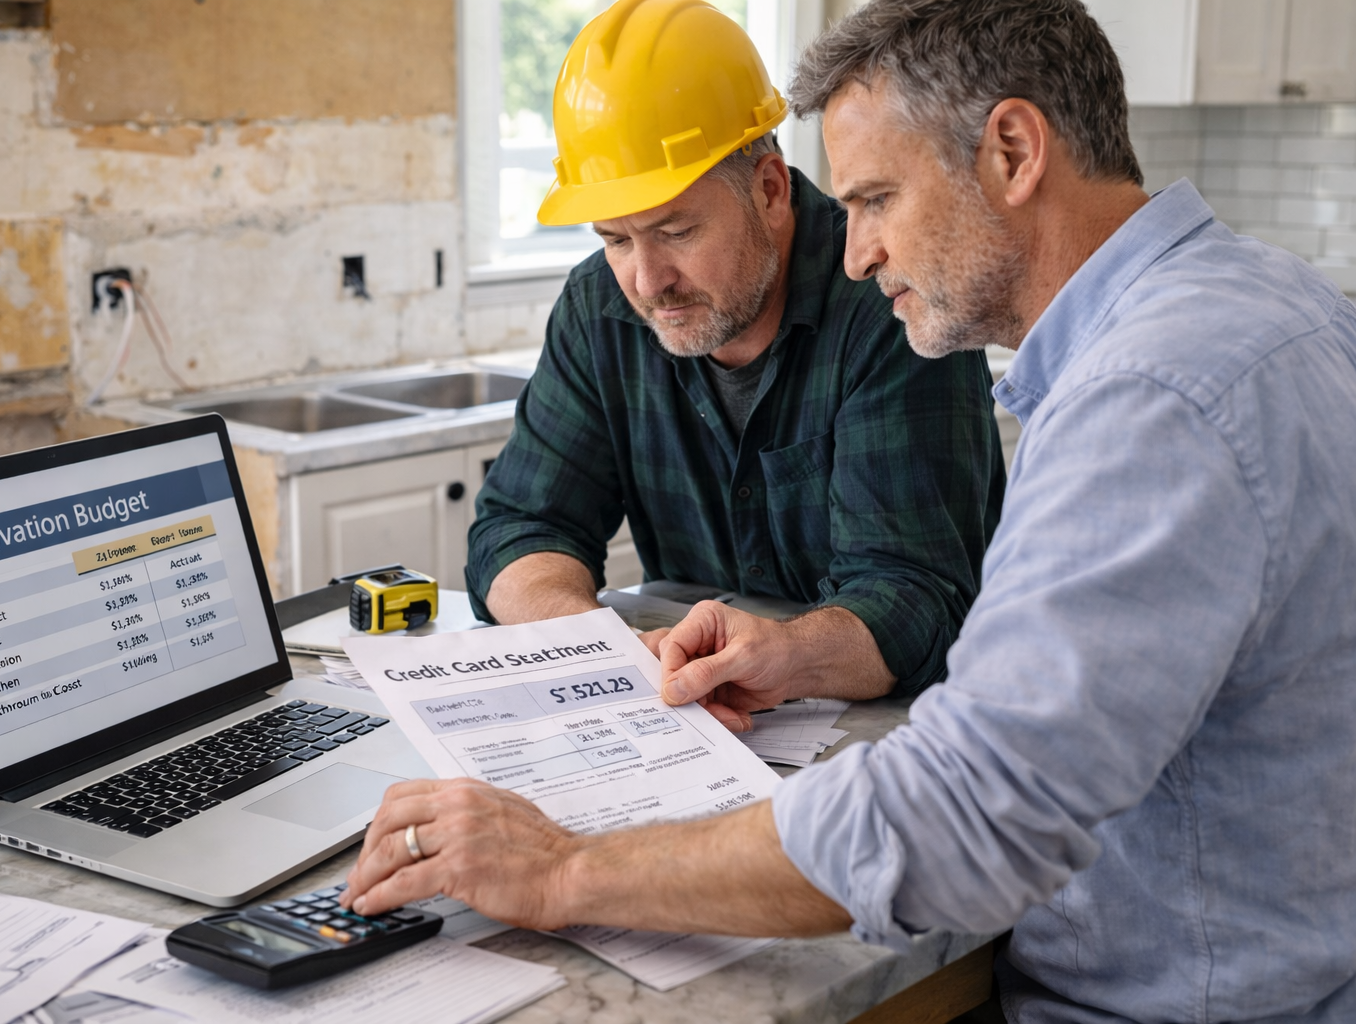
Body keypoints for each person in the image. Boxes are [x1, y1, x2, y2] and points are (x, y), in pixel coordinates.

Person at [346, 0, 1356, 1020]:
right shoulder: (1277, 307)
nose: (860, 252)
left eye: (876, 198)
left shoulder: (1152, 399)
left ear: (1012, 150)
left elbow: (959, 816)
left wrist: (564, 871)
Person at [467, 0, 1005, 705]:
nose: (646, 281)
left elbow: (914, 601)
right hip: (691, 711)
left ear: (771, 189)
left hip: (903, 730)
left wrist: (781, 655)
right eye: (617, 239)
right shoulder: (597, 307)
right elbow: (518, 529)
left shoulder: (891, 301)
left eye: (678, 230)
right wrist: (599, 647)